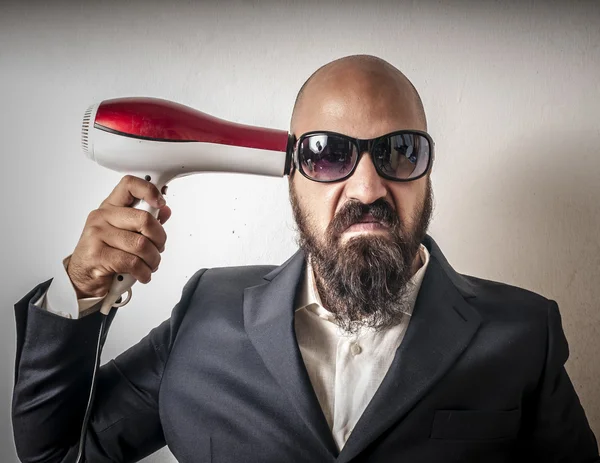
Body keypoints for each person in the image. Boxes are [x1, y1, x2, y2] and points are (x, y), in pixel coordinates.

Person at [12, 55, 599, 463]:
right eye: (326, 154)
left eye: (399, 151)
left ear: (427, 170)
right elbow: (59, 452)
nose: (368, 188)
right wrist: (80, 288)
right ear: (292, 174)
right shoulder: (204, 314)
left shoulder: (522, 333)